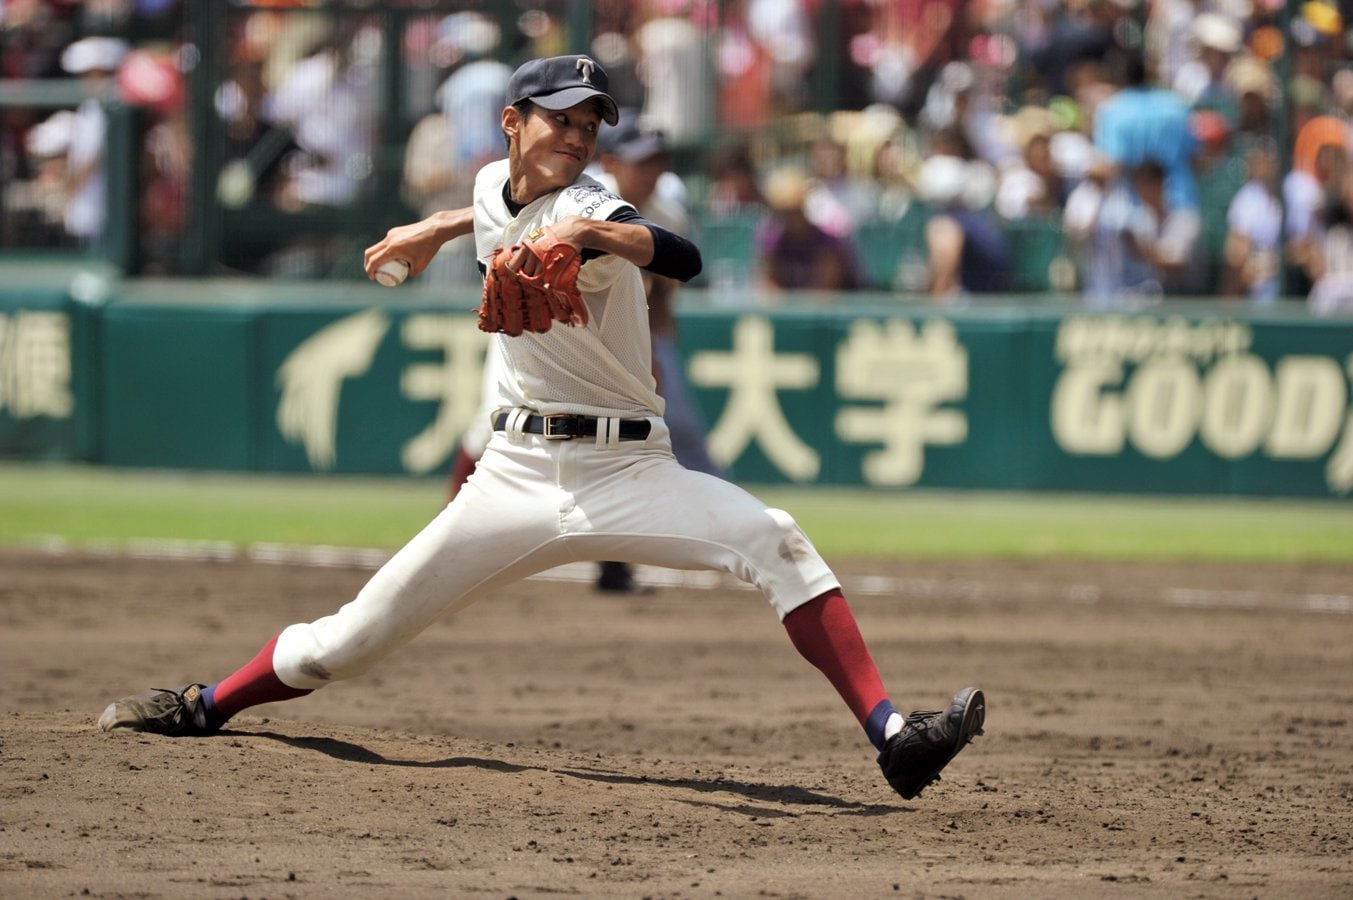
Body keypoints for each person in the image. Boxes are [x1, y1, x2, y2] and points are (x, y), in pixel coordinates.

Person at [97, 54, 984, 802]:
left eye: (590, 124)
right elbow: (490, 208)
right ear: (513, 123)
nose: (578, 136)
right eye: (561, 119)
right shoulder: (491, 185)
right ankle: (205, 705)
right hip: (513, 474)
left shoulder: (590, 206)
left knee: (777, 540)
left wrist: (591, 240)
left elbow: (677, 253)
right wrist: (433, 229)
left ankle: (894, 737)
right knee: (349, 641)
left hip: (630, 474)